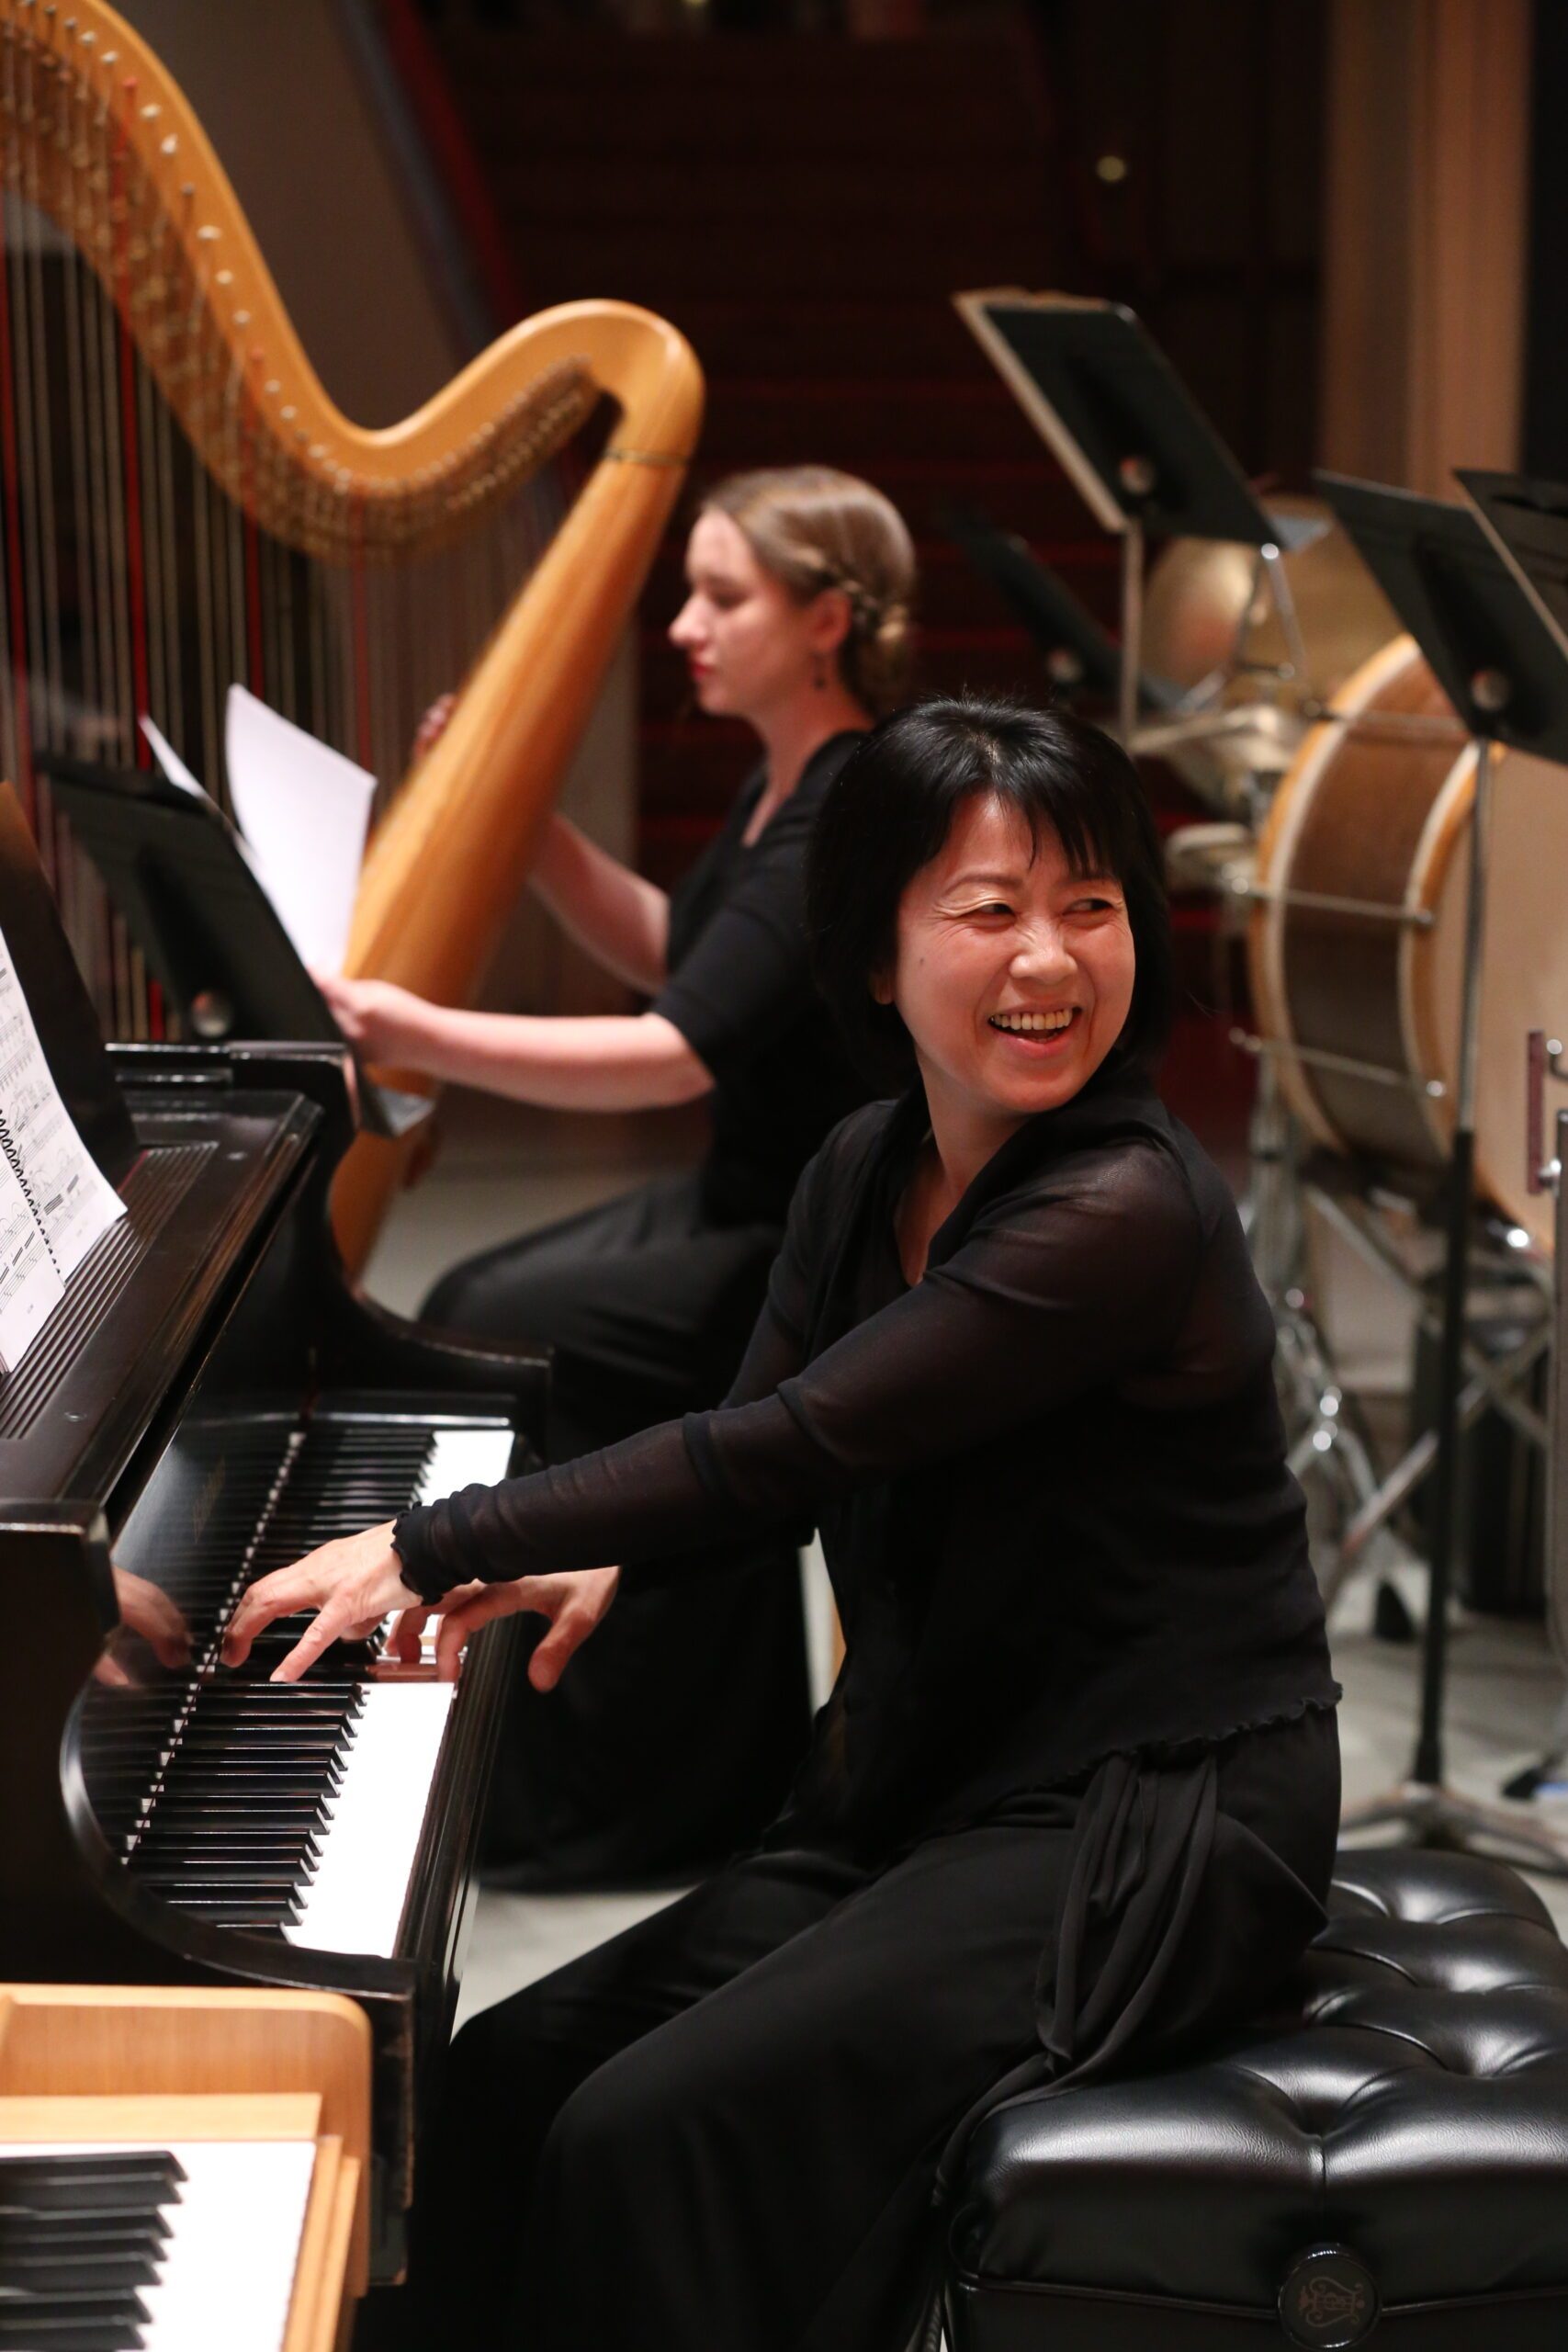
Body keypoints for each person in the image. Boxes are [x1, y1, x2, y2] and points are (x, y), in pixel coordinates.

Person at [227, 696, 1341, 2352]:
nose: (1051, 959)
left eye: (1091, 906)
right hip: (932, 1784)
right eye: (990, 910)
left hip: (1145, 1822)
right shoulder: (858, 1167)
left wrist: (435, 1540)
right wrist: (605, 1545)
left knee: (644, 2133)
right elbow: (753, 1451)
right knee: (499, 2084)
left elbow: (796, 1442)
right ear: (879, 958)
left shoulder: (1125, 1211)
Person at [321, 466, 917, 1885]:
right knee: (479, 1297)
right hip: (744, 1199)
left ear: (825, 618)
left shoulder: (847, 803)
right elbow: (688, 955)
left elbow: (672, 1054)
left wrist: (414, 1033)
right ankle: (568, 1738)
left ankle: (620, 1789)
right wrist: (538, 841)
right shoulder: (786, 786)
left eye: (723, 596)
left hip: (815, 1247)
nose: (684, 628)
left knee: (506, 1323)